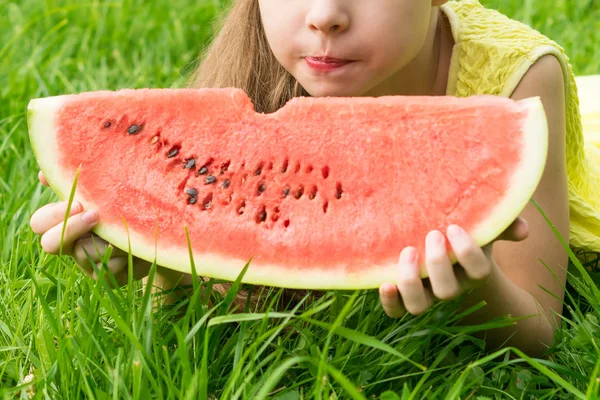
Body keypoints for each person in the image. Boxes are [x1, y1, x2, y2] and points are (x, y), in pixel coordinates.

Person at [29, 0, 600, 358]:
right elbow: (228, 292)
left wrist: (474, 289)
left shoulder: (519, 82)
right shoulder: (258, 68)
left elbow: (539, 329)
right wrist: (160, 257)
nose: (325, 13)